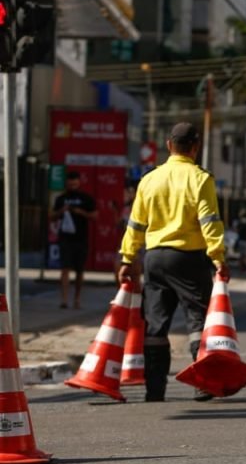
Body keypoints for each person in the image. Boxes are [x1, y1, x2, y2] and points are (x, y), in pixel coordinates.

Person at [117, 123, 230, 402]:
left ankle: (154, 390)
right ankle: (202, 384)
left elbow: (136, 224)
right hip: (190, 259)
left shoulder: (149, 180)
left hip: (154, 259)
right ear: (195, 147)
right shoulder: (200, 179)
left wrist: (128, 257)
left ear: (169, 145)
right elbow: (210, 223)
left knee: (155, 326)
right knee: (197, 321)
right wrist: (218, 258)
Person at [50, 171, 98, 309]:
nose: (72, 185)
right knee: (65, 268)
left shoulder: (85, 198)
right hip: (65, 238)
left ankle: (77, 299)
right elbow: (52, 216)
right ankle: (64, 299)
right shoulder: (61, 199)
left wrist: (80, 212)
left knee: (79, 270)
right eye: (70, 183)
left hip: (81, 238)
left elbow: (95, 216)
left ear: (79, 182)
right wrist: (61, 211)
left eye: (75, 183)